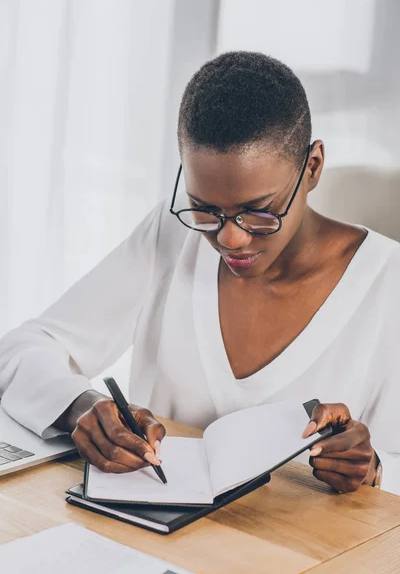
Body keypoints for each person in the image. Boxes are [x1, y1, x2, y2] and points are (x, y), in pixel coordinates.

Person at [0, 51, 399, 494]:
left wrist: (375, 468)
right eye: (205, 210)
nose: (228, 239)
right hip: (148, 544)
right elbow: (21, 350)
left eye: (259, 212)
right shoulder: (171, 237)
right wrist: (82, 405)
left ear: (313, 167)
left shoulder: (388, 284)